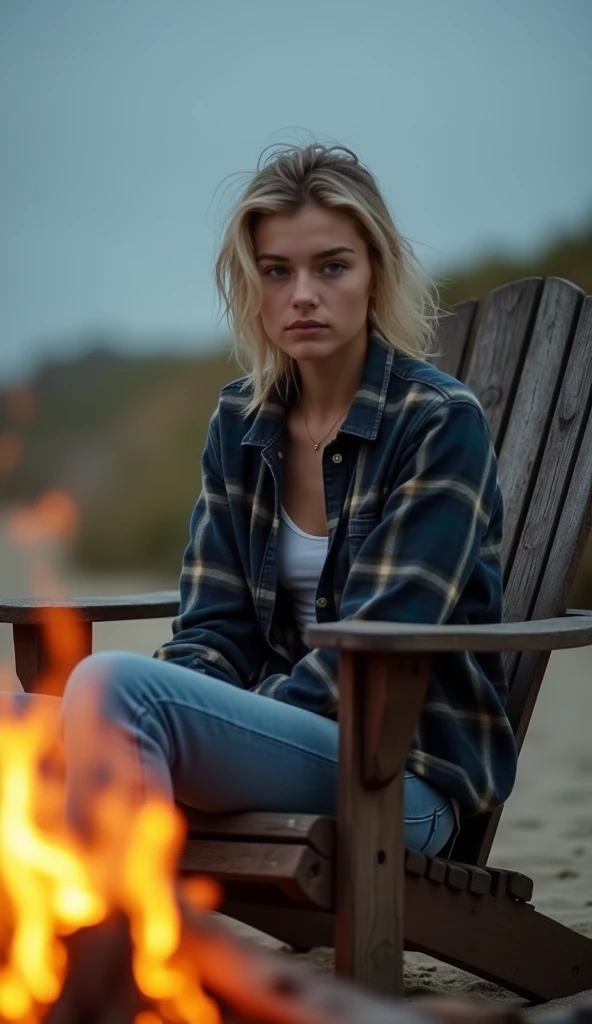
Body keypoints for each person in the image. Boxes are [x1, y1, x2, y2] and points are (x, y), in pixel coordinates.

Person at [60, 141, 517, 856]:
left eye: (332, 266)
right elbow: (213, 629)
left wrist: (218, 726)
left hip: (400, 781)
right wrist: (203, 714)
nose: (302, 293)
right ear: (254, 289)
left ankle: (122, 960)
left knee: (115, 688)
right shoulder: (241, 422)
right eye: (277, 272)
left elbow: (375, 649)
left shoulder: (436, 423)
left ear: (373, 276)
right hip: (281, 746)